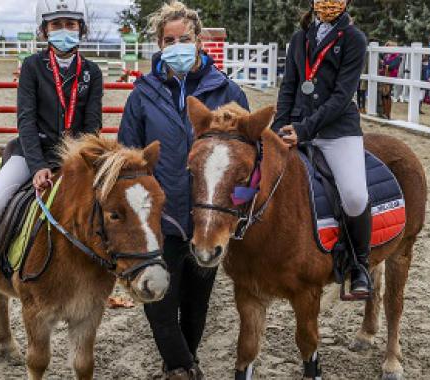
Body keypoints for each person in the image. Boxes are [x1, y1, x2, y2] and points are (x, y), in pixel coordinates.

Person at [118, 2, 248, 379]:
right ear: (159, 44)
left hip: (209, 218)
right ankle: (182, 365)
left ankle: (181, 366)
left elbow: (245, 159)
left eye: (184, 38)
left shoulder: (228, 91)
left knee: (195, 303)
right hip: (160, 219)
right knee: (157, 301)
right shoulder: (142, 95)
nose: (177, 45)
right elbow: (130, 155)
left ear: (198, 40)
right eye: (169, 40)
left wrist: (234, 208)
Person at [0, 0, 103, 303]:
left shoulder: (92, 72)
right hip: (30, 152)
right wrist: (37, 166)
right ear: (45, 30)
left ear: (81, 29)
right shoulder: (32, 67)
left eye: (71, 25)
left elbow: (92, 124)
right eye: (56, 25)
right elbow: (25, 118)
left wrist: (79, 161)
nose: (64, 30)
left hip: (73, 157)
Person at [272, 0, 372, 301]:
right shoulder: (299, 38)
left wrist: (303, 130)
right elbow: (289, 86)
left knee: (355, 197)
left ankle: (359, 266)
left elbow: (343, 95)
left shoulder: (354, 39)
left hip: (337, 131)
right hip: (297, 128)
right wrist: (277, 129)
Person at [379, 41, 402, 119]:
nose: (387, 48)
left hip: (391, 76)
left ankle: (387, 113)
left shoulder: (397, 57)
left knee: (387, 94)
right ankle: (384, 112)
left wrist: (384, 65)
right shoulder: (386, 56)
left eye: (388, 47)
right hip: (384, 76)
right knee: (383, 94)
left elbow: (392, 66)